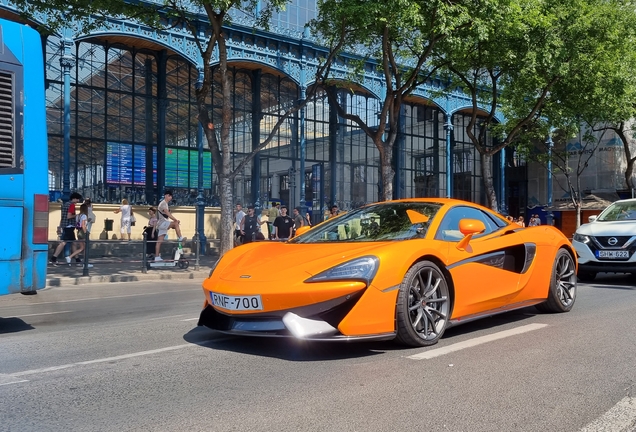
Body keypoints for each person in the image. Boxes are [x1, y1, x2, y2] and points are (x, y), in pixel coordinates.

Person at [50, 192, 82, 265]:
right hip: (69, 226)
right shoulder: (71, 205)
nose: (78, 201)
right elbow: (69, 216)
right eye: (77, 199)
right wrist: (77, 215)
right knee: (64, 242)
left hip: (65, 225)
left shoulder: (65, 205)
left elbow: (63, 217)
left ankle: (77, 259)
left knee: (73, 243)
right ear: (74, 198)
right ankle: (54, 258)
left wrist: (60, 225)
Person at [155, 190, 185, 261]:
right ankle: (180, 238)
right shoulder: (163, 203)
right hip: (163, 223)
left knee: (159, 242)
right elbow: (167, 213)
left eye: (171, 196)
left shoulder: (165, 204)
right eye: (169, 196)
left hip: (162, 224)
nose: (170, 197)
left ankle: (156, 257)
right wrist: (175, 220)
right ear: (166, 195)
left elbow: (167, 215)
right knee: (175, 223)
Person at [68, 203, 93, 267]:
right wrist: (86, 232)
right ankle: (71, 257)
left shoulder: (78, 216)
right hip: (82, 232)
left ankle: (85, 262)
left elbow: (79, 223)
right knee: (84, 248)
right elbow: (83, 225)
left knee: (83, 248)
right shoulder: (84, 216)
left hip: (78, 232)